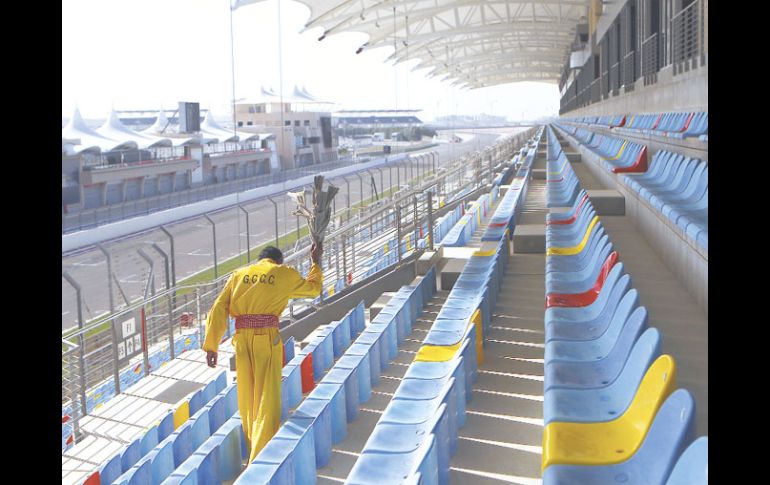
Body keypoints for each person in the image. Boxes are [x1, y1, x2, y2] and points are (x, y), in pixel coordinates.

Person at [203, 242, 323, 463]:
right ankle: (260, 458)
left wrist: (212, 346)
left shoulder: (239, 275)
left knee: (248, 399)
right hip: (266, 339)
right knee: (267, 398)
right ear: (278, 261)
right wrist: (316, 262)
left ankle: (252, 446)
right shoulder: (282, 273)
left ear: (259, 260)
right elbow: (313, 289)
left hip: (242, 342)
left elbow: (219, 307)